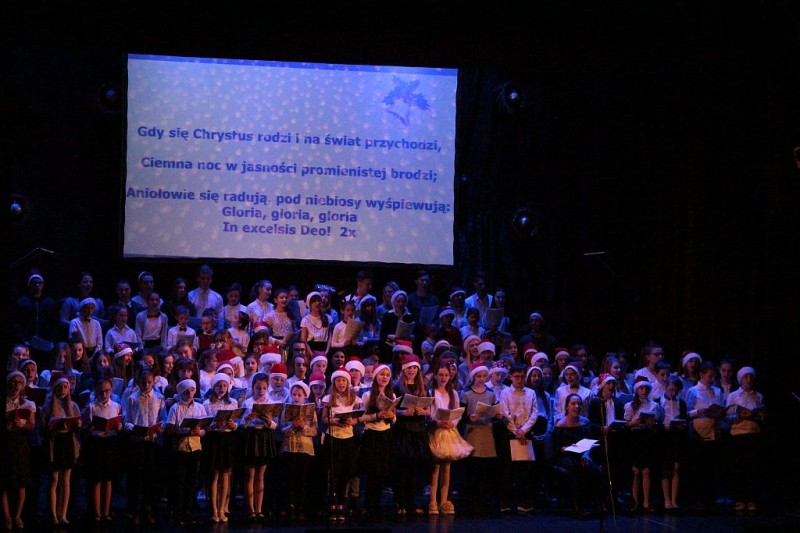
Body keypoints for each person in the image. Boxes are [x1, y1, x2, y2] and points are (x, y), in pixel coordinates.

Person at [427, 362, 474, 516]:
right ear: (435, 375)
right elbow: (430, 413)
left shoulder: (453, 393)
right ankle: (432, 501)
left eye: (446, 375)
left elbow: (457, 413)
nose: (443, 378)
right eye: (440, 375)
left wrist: (452, 422)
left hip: (449, 430)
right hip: (436, 431)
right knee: (435, 468)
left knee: (447, 468)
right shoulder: (431, 392)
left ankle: (444, 501)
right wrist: (438, 422)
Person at [123, 368, 166, 525]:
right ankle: (135, 510)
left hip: (153, 443)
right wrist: (133, 428)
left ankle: (148, 509)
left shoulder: (159, 398)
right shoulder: (132, 398)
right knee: (136, 478)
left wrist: (160, 427)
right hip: (137, 443)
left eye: (149, 382)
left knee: (151, 477)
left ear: (153, 381)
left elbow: (164, 418)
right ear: (138, 382)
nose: (146, 385)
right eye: (143, 382)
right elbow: (126, 419)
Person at [166, 378, 208, 527]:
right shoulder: (175, 408)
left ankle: (187, 512)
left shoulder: (200, 407)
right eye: (186, 390)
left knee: (192, 482)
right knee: (179, 482)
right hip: (181, 449)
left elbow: (204, 429)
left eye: (192, 390)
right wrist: (185, 431)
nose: (190, 393)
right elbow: (170, 429)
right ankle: (177, 513)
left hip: (195, 448)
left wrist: (199, 432)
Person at [552, 393, 602, 518]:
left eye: (579, 404)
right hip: (566, 456)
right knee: (576, 469)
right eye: (573, 404)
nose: (576, 406)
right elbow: (556, 448)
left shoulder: (585, 422)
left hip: (582, 454)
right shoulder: (560, 424)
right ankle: (577, 506)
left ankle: (595, 505)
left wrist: (586, 455)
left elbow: (590, 442)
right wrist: (565, 448)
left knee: (593, 468)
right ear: (567, 406)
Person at [392, 354, 430, 516]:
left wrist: (424, 411)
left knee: (414, 468)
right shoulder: (397, 387)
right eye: (409, 368)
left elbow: (429, 409)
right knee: (402, 467)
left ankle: (411, 501)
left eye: (415, 368)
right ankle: (399, 501)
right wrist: (403, 412)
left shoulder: (423, 388)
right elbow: (391, 409)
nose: (412, 370)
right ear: (403, 369)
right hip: (403, 430)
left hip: (418, 430)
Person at [322, 367, 362, 520]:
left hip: (348, 438)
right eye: (338, 380)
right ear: (334, 382)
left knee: (346, 471)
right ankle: (332, 504)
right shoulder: (328, 399)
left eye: (344, 380)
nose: (341, 383)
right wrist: (336, 421)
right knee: (333, 471)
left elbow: (357, 418)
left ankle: (341, 503)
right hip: (333, 437)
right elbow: (324, 419)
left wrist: (352, 421)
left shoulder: (354, 399)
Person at [81, 376, 123, 523]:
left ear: (111, 390)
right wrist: (91, 427)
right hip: (96, 444)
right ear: (96, 391)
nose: (104, 394)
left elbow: (119, 425)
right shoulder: (91, 407)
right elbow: (84, 428)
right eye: (101, 391)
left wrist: (118, 427)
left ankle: (106, 512)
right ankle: (97, 512)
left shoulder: (116, 406)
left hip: (110, 443)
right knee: (97, 479)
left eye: (107, 391)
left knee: (108, 479)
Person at [460, 362, 500, 515]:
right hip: (472, 432)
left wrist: (496, 415)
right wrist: (469, 417)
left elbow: (494, 411)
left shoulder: (490, 393)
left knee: (485, 469)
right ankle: (472, 501)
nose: (482, 379)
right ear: (473, 377)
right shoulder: (466, 394)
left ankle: (483, 501)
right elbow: (461, 416)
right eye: (479, 376)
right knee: (473, 469)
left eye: (484, 376)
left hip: (487, 433)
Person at [685, 360, 724, 511]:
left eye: (714, 376)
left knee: (711, 468)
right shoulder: (693, 391)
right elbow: (687, 412)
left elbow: (721, 408)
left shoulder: (717, 391)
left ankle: (709, 499)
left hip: (713, 432)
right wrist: (699, 411)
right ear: (702, 374)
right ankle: (696, 499)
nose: (712, 379)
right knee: (698, 468)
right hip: (698, 434)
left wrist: (719, 412)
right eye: (709, 376)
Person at [42, 377, 82, 525]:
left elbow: (77, 427)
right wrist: (53, 427)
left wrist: (77, 424)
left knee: (66, 479)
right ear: (54, 389)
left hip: (68, 442)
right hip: (55, 443)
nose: (63, 390)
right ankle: (53, 514)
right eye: (60, 387)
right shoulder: (48, 406)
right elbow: (42, 429)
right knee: (54, 479)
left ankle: (63, 514)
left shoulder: (73, 405)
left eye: (65, 387)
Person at [357, 363, 395, 517]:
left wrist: (392, 416)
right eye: (381, 374)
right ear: (375, 376)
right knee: (371, 472)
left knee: (381, 472)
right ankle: (368, 504)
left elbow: (394, 419)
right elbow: (361, 418)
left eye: (387, 375)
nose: (384, 377)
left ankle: (377, 504)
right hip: (372, 435)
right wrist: (376, 416)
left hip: (385, 435)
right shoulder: (367, 395)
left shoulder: (392, 395)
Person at [499, 363, 538, 513]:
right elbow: (505, 413)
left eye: (522, 376)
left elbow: (534, 414)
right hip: (511, 434)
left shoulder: (531, 393)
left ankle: (523, 501)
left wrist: (524, 430)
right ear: (510, 377)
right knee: (508, 470)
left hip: (525, 434)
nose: (520, 379)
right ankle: (506, 502)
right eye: (517, 377)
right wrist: (516, 431)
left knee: (524, 470)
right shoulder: (505, 393)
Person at [725, 366, 765, 512]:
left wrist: (755, 415)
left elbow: (763, 417)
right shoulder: (733, 396)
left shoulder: (759, 396)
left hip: (754, 434)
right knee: (738, 468)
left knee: (753, 468)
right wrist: (739, 415)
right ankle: (739, 499)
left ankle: (751, 499)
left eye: (751, 377)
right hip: (738, 434)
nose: (749, 380)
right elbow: (727, 417)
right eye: (746, 377)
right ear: (740, 380)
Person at [239, 372, 278, 521]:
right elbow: (241, 424)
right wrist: (248, 418)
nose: (261, 391)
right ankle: (251, 509)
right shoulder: (247, 403)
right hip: (251, 437)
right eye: (258, 388)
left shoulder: (271, 402)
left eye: (263, 388)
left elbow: (275, 425)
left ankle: (259, 509)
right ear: (253, 387)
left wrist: (268, 421)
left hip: (264, 437)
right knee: (250, 475)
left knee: (260, 475)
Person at [203, 373, 239, 523]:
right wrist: (214, 425)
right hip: (214, 440)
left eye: (224, 385)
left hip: (227, 439)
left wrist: (233, 425)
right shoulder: (207, 404)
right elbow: (204, 425)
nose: (222, 388)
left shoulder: (233, 403)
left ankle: (223, 508)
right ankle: (214, 510)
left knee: (226, 474)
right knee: (214, 475)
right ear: (214, 387)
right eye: (219, 385)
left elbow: (237, 424)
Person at [3, 371, 37, 530]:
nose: (16, 385)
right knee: (5, 482)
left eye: (19, 382)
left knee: (21, 482)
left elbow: (32, 426)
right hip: (5, 443)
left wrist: (22, 425)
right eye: (13, 382)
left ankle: (17, 515)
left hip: (20, 444)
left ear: (23, 386)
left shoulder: (28, 404)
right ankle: (6, 516)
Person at [280, 381, 318, 521]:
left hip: (305, 449)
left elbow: (314, 431)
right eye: (294, 394)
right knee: (289, 479)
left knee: (302, 479)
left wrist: (303, 427)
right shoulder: (286, 409)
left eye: (299, 395)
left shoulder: (311, 411)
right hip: (289, 448)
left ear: (304, 396)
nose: (296, 397)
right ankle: (289, 507)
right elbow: (282, 429)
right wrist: (292, 426)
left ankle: (301, 507)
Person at [624, 379, 662, 513]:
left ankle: (646, 502)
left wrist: (651, 423)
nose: (644, 391)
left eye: (646, 389)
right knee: (635, 470)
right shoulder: (630, 405)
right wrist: (634, 422)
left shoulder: (654, 405)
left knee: (646, 470)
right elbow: (626, 424)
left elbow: (657, 423)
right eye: (641, 389)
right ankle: (635, 502)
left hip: (648, 437)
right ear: (636, 390)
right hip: (635, 438)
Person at [12, 273, 60, 363]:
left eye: (39, 283)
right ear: (29, 285)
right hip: (27, 344)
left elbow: (55, 323)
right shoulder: (22, 302)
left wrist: (51, 340)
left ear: (43, 285)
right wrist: (23, 340)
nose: (37, 285)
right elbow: (16, 323)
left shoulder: (50, 302)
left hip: (45, 345)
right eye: (34, 283)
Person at [659, 375, 688, 511]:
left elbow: (684, 419)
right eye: (671, 390)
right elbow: (656, 421)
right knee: (666, 468)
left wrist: (682, 426)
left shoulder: (681, 403)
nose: (673, 393)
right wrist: (663, 427)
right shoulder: (658, 401)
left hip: (677, 438)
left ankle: (674, 500)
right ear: (666, 387)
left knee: (676, 468)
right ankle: (666, 500)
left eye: (676, 391)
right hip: (664, 438)